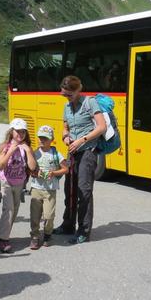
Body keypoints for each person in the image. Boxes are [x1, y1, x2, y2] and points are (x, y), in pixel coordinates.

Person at [54, 75, 106, 244]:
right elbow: (65, 127)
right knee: (69, 189)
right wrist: (66, 136)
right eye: (64, 94)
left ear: (78, 90)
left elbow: (101, 127)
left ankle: (83, 230)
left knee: (84, 191)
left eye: (69, 94)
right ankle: (68, 224)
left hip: (87, 151)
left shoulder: (90, 103)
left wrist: (81, 140)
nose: (66, 97)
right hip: (72, 152)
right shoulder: (66, 107)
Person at [0, 118, 37, 253]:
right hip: (6, 182)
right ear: (11, 131)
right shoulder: (5, 146)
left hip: (19, 183)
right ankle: (3, 239)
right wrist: (10, 151)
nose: (20, 134)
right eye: (17, 131)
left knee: (15, 210)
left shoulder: (26, 148)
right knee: (8, 210)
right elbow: (0, 166)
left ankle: (5, 235)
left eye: (23, 132)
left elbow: (32, 166)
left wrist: (29, 151)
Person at [29, 125, 68, 249]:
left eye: (45, 138)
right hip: (36, 188)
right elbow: (29, 170)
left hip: (50, 190)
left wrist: (53, 173)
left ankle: (47, 234)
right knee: (35, 215)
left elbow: (65, 169)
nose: (42, 140)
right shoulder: (34, 153)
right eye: (40, 138)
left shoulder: (56, 154)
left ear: (51, 140)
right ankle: (35, 236)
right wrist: (35, 173)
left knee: (49, 215)